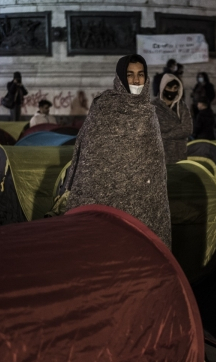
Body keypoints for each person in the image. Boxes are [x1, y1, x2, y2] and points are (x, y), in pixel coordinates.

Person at [64, 54, 171, 248]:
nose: (136, 80)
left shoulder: (149, 112)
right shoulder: (104, 107)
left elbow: (154, 165)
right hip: (105, 196)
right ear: (121, 76)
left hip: (142, 198)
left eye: (140, 74)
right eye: (130, 75)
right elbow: (89, 154)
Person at [152, 73, 192, 164]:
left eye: (175, 88)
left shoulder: (182, 107)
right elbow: (154, 130)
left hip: (179, 154)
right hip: (160, 155)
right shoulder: (153, 107)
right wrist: (177, 127)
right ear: (163, 88)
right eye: (169, 88)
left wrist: (165, 135)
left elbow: (187, 129)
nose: (172, 91)